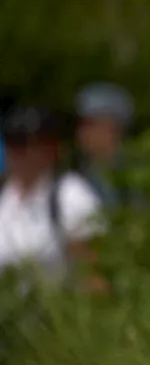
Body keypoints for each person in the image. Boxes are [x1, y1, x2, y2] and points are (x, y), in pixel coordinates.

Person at [0, 106, 105, 285]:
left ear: (51, 149)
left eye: (25, 143)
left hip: (56, 309)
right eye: (13, 142)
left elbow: (93, 275)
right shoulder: (6, 196)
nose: (17, 153)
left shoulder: (71, 195)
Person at [75, 82, 136, 208]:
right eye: (81, 124)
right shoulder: (78, 179)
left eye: (90, 124)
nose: (81, 132)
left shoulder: (137, 179)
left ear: (113, 128)